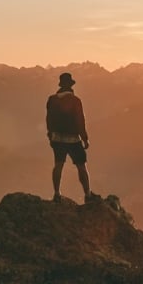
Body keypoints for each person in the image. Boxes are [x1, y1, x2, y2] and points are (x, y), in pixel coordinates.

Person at [46, 72, 100, 203]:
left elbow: (49, 119)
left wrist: (50, 135)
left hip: (57, 138)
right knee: (81, 166)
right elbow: (80, 120)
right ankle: (87, 194)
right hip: (73, 139)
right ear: (70, 86)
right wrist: (85, 138)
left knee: (58, 165)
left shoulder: (52, 100)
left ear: (60, 85)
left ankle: (57, 194)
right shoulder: (75, 101)